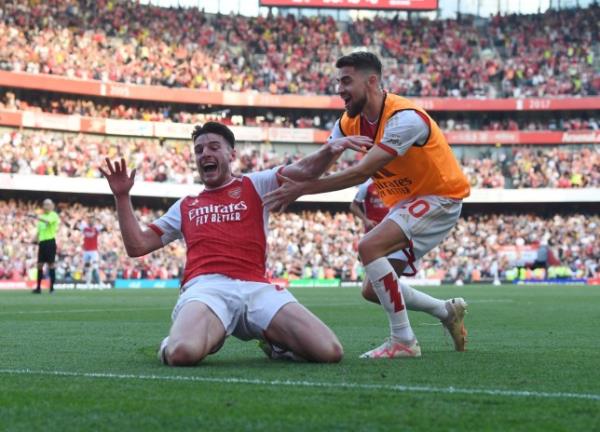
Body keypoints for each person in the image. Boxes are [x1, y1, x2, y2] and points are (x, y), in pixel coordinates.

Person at [100, 121, 370, 366]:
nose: (205, 153)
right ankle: (185, 340)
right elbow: (137, 246)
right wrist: (122, 197)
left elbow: (304, 170)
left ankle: (275, 345)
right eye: (199, 150)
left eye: (214, 147)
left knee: (329, 351)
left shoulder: (256, 184)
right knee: (182, 353)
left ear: (232, 155)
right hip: (207, 288)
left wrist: (330, 151)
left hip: (257, 288)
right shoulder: (185, 205)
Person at [264, 52, 470, 359]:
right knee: (373, 289)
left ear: (371, 81)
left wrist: (303, 190)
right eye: (338, 82)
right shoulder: (348, 123)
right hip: (406, 203)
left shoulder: (405, 118)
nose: (339, 89)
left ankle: (404, 341)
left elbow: (360, 172)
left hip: (439, 197)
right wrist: (270, 180)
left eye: (346, 81)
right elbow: (315, 165)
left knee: (368, 246)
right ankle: (446, 311)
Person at [29, 199, 60, 294]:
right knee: (39, 265)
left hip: (50, 242)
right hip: (42, 243)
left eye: (47, 204)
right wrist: (33, 239)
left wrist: (36, 216)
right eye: (44, 204)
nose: (45, 206)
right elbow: (39, 231)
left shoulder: (53, 215)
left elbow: (48, 221)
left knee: (51, 264)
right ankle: (38, 288)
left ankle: (52, 288)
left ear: (52, 206)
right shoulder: (41, 217)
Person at [80, 216, 103, 285]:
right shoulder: (84, 228)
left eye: (92, 221)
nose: (91, 222)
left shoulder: (96, 228)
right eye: (90, 220)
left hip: (94, 251)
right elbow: (78, 226)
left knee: (95, 267)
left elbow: (102, 227)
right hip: (86, 251)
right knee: (86, 267)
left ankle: (100, 283)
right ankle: (88, 283)